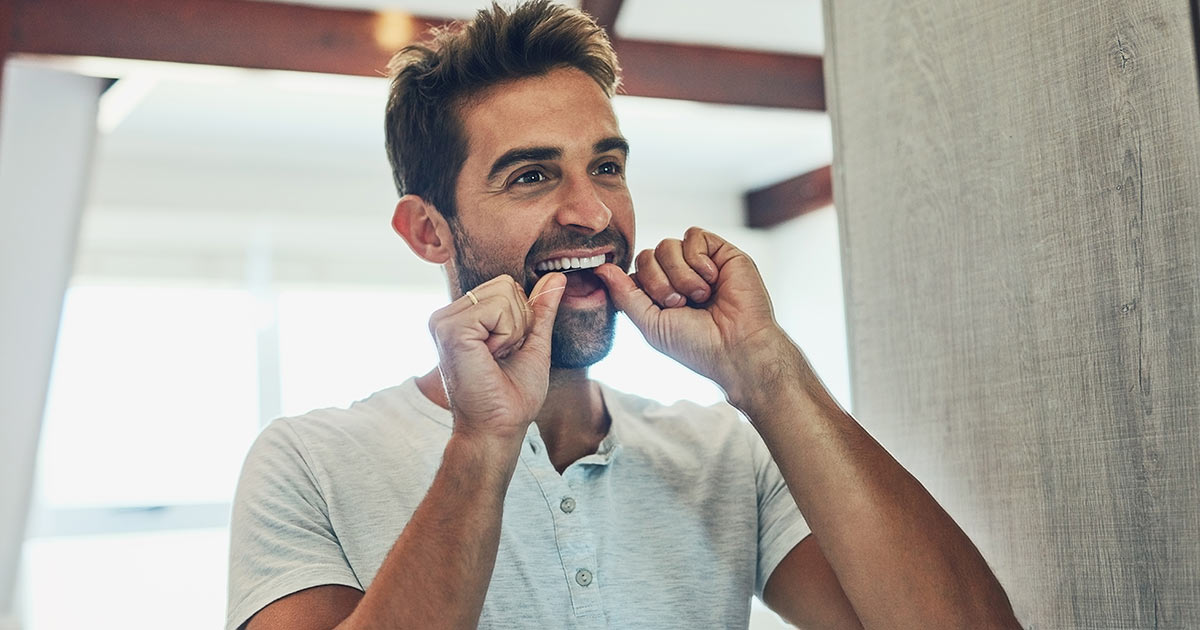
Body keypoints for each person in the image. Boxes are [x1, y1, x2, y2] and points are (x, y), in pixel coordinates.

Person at [226, 2, 1020, 629]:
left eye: (606, 166)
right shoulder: (306, 461)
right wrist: (483, 445)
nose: (591, 210)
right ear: (428, 230)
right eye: (533, 175)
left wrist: (766, 373)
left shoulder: (723, 455)